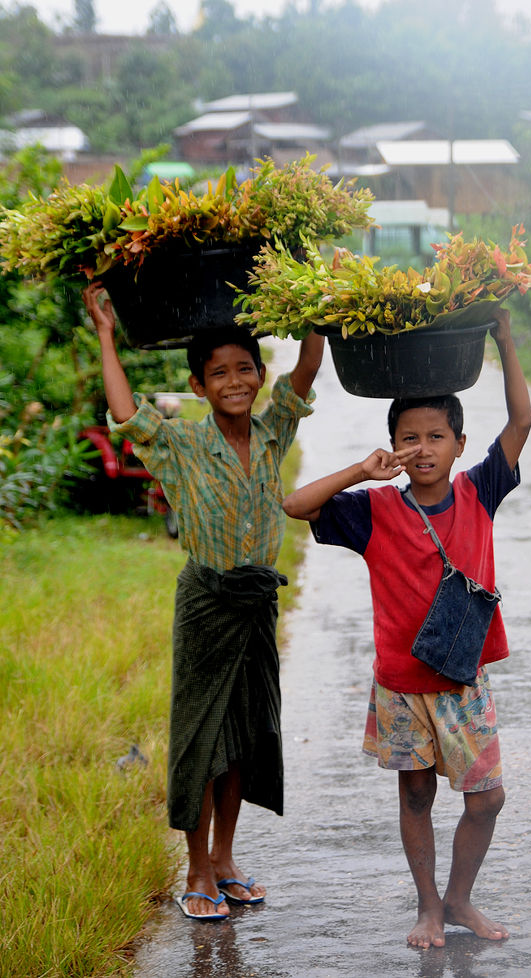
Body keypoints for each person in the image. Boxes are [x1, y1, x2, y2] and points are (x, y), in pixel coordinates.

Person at [282, 308, 531, 948]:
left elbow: (522, 421)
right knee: (416, 796)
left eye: (436, 436)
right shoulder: (373, 511)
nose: (423, 449)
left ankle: (459, 899)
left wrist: (503, 339)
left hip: (462, 682)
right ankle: (427, 906)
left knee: (487, 798)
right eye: (409, 438)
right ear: (393, 445)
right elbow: (295, 505)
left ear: (459, 444)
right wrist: (360, 472)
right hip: (401, 686)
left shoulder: (480, 492)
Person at [82, 281, 324, 921]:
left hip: (255, 606)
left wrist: (319, 315)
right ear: (198, 386)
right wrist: (107, 334)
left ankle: (225, 859)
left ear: (260, 375)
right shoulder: (182, 444)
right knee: (201, 737)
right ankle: (194, 867)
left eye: (245, 369)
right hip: (206, 604)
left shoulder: (273, 432)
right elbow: (128, 412)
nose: (235, 381)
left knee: (243, 736)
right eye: (219, 373)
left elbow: (304, 372)